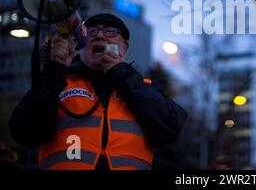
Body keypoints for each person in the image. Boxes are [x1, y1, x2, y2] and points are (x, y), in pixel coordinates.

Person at [9, 13, 187, 170]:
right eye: (91, 32)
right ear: (81, 44)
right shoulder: (60, 82)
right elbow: (26, 134)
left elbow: (170, 128)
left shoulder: (143, 87)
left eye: (110, 31)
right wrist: (54, 71)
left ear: (124, 47)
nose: (100, 35)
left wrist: (121, 74)